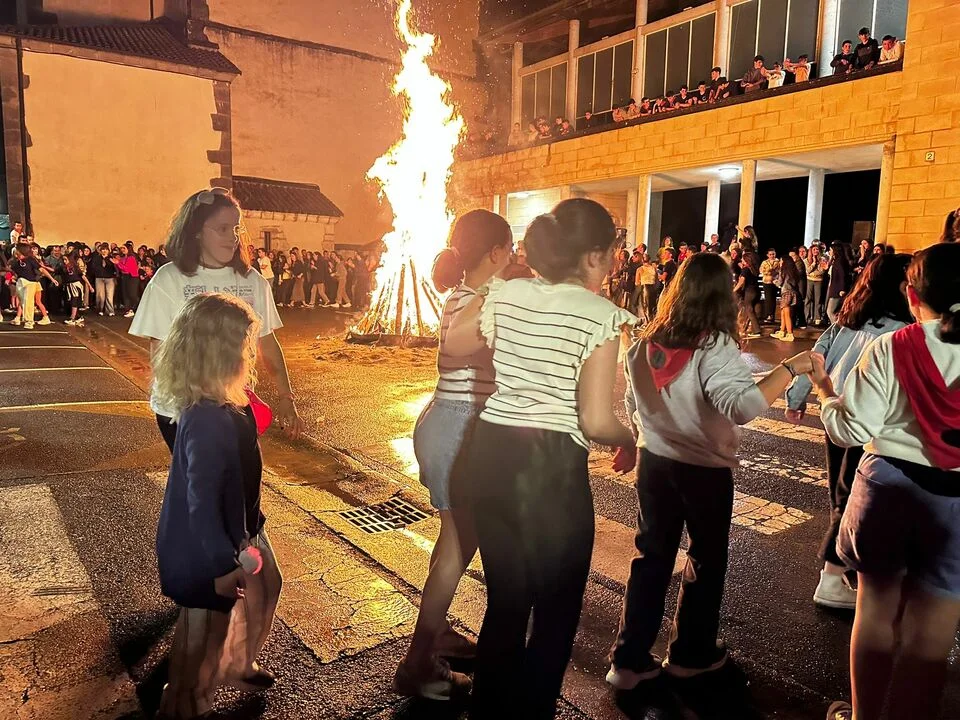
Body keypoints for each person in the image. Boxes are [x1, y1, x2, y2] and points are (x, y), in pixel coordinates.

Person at [443, 198, 637, 718]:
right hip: (550, 467)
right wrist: (630, 436)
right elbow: (595, 420)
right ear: (593, 255)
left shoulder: (507, 293)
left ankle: (488, 710)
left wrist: (495, 289)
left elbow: (455, 344)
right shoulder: (598, 315)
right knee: (555, 611)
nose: (613, 262)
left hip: (492, 450)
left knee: (506, 602)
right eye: (611, 253)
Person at [607, 253, 813, 689]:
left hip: (654, 463)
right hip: (703, 470)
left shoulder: (644, 344)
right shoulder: (713, 345)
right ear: (722, 294)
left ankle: (628, 661)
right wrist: (791, 367)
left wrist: (635, 440)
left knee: (651, 557)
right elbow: (743, 406)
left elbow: (632, 403)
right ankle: (690, 653)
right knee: (704, 558)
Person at [814, 243, 960, 720]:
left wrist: (825, 394)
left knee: (875, 614)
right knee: (932, 639)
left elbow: (849, 430)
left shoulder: (891, 347)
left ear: (912, 296)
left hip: (887, 488)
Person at [394, 210, 513, 700]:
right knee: (457, 544)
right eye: (511, 248)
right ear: (496, 252)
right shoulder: (480, 302)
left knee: (457, 542)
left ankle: (435, 633)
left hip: (448, 420)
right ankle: (418, 664)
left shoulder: (462, 294)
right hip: (460, 429)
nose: (515, 257)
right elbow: (473, 346)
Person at [153, 292, 282, 719]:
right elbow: (202, 502)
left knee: (206, 629)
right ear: (222, 352)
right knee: (202, 638)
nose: (250, 353)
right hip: (205, 553)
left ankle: (192, 696)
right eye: (244, 343)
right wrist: (223, 565)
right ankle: (186, 705)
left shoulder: (216, 404)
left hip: (215, 542)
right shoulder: (209, 419)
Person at [129, 187, 304, 450]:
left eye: (236, 229)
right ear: (196, 231)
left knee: (243, 474)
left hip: (235, 404)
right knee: (206, 474)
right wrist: (183, 408)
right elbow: (160, 351)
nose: (233, 237)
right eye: (222, 229)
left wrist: (286, 397)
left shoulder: (252, 281)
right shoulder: (169, 280)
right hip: (183, 410)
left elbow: (267, 342)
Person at [785, 254, 912, 611]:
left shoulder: (849, 317)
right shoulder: (901, 331)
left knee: (840, 494)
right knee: (854, 497)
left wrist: (797, 396)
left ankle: (843, 564)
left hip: (834, 412)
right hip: (865, 421)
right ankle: (831, 575)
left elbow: (817, 356)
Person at [9, 243, 58, 329]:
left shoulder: (30, 259)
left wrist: (52, 279)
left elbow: (41, 269)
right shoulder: (15, 262)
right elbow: (13, 272)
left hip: (31, 283)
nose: (15, 251)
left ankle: (29, 321)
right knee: (22, 301)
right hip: (21, 282)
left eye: (17, 249)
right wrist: (11, 277)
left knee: (29, 301)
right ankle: (18, 318)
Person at [59, 252, 93, 326]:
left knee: (75, 301)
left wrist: (90, 286)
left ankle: (73, 318)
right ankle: (78, 317)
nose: (64, 261)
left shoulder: (75, 267)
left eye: (66, 260)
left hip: (75, 285)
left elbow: (83, 276)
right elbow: (54, 271)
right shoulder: (63, 268)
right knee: (73, 301)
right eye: (63, 260)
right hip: (69, 286)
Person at [735, 251, 763, 338]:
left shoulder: (746, 269)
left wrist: (734, 290)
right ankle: (749, 328)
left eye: (743, 259)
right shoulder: (754, 269)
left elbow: (741, 281)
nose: (741, 260)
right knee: (752, 310)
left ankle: (757, 331)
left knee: (749, 310)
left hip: (749, 291)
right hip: (757, 291)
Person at [826, 242, 852, 324]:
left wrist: (842, 289)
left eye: (830, 250)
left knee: (830, 311)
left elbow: (842, 276)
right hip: (835, 289)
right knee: (833, 312)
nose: (829, 252)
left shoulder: (839, 262)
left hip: (837, 290)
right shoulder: (837, 261)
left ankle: (837, 328)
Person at [116, 244, 140, 318]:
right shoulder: (123, 258)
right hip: (125, 276)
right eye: (122, 248)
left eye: (124, 248)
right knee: (125, 294)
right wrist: (117, 263)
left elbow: (127, 269)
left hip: (132, 277)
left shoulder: (131, 258)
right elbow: (120, 268)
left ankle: (135, 308)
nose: (122, 249)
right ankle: (128, 309)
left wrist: (118, 263)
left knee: (132, 294)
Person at [805, 244, 826, 326]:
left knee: (818, 299)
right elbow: (807, 271)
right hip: (809, 280)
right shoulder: (806, 260)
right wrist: (813, 263)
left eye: (817, 249)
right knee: (808, 299)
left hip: (819, 281)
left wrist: (818, 265)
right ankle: (807, 317)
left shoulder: (822, 259)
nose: (815, 251)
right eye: (814, 249)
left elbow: (822, 271)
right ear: (810, 251)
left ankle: (817, 317)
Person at [760, 248, 781, 323]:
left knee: (773, 299)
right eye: (770, 254)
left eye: (773, 254)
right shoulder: (764, 262)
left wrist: (774, 272)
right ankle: (768, 315)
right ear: (767, 255)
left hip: (774, 282)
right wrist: (768, 271)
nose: (772, 256)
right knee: (768, 299)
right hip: (766, 282)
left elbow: (779, 271)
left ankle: (772, 315)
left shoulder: (778, 262)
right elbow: (761, 270)